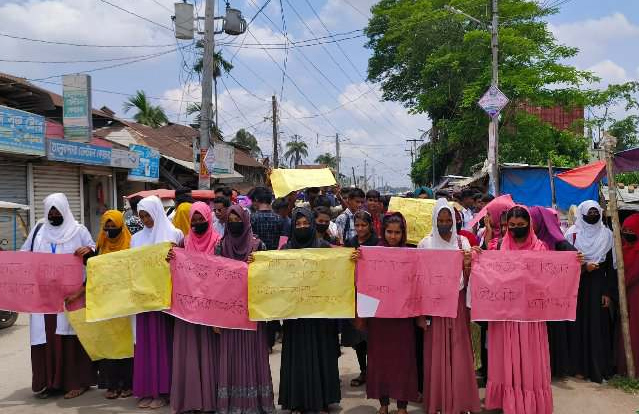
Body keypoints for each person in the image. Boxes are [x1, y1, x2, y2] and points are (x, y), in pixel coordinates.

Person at [21, 193, 97, 400]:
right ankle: (48, 383)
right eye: (50, 210)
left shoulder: (78, 231)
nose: (54, 214)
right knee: (45, 336)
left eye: (57, 209)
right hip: (45, 298)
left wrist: (88, 252)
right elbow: (24, 254)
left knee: (71, 336)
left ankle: (76, 382)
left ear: (65, 209)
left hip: (71, 296)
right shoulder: (39, 231)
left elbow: (93, 257)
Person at [484, 206, 553, 414]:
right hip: (504, 315)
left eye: (521, 226)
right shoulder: (497, 247)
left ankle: (530, 404)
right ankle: (508, 402)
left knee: (529, 358)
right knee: (506, 358)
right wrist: (478, 256)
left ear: (529, 225)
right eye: (511, 226)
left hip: (530, 316)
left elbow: (549, 278)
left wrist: (574, 262)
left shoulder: (540, 248)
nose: (516, 229)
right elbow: (487, 276)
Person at [417, 199, 480, 414]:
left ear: (454, 221)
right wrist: (421, 314)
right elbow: (418, 279)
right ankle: (439, 402)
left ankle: (461, 402)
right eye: (440, 220)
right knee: (436, 351)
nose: (445, 224)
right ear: (435, 221)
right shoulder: (425, 244)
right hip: (434, 306)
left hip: (458, 303)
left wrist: (468, 262)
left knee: (459, 350)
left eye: (448, 220)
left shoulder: (462, 243)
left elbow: (471, 278)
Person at [278, 207, 341, 414]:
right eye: (298, 224)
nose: (302, 227)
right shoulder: (286, 251)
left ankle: (323, 401)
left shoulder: (324, 247)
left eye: (306, 224)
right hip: (295, 316)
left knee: (322, 353)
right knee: (298, 356)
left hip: (320, 315)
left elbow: (337, 272)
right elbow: (273, 276)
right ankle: (297, 401)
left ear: (312, 225)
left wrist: (350, 260)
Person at [217, 205, 275, 414]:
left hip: (253, 312)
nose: (233, 222)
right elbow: (213, 280)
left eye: (237, 218)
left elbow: (270, 278)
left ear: (246, 219)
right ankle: (232, 404)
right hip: (228, 314)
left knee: (252, 354)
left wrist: (258, 265)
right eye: (230, 219)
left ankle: (255, 403)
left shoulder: (258, 245)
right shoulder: (220, 245)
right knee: (231, 355)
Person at [131, 195, 184, 409]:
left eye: (148, 215)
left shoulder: (174, 234)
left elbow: (183, 265)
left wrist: (175, 254)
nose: (145, 219)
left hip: (165, 300)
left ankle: (164, 391)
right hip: (144, 299)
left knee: (163, 344)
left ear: (157, 212)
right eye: (141, 216)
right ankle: (148, 389)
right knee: (145, 345)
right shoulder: (136, 239)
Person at [169, 202, 222, 414]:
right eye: (194, 219)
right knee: (190, 352)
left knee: (209, 352)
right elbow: (178, 269)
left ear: (209, 218)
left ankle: (210, 400)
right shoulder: (185, 241)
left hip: (210, 307)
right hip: (188, 308)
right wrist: (171, 258)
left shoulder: (218, 240)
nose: (198, 222)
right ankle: (191, 399)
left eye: (201, 218)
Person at [364, 212, 419, 414]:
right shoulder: (372, 253)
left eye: (397, 232)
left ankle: (402, 405)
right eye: (389, 232)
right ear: (382, 231)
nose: (393, 236)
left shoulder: (411, 254)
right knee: (380, 361)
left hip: (403, 318)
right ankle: (384, 404)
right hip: (379, 318)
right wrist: (356, 260)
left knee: (403, 360)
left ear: (403, 233)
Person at [565, 200, 616, 383]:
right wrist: (584, 267)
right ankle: (578, 367)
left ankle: (597, 368)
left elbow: (610, 266)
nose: (593, 215)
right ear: (582, 213)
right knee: (577, 324)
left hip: (598, 285)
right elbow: (565, 261)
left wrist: (607, 292)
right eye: (590, 212)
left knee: (597, 325)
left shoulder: (607, 235)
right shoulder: (572, 234)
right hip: (576, 283)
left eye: (596, 212)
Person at [530, 206, 578, 378]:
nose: (530, 224)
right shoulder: (528, 240)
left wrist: (578, 259)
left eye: (533, 221)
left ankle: (556, 368)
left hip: (553, 298)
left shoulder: (559, 243)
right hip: (533, 298)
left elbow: (573, 258)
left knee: (554, 332)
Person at [94, 210, 134, 399]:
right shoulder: (100, 244)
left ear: (121, 225)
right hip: (106, 300)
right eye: (107, 226)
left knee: (126, 344)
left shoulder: (131, 242)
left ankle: (127, 383)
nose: (110, 229)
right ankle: (111, 385)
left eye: (113, 225)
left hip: (125, 300)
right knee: (109, 343)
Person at [343, 210, 379, 388]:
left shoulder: (377, 243)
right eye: (357, 225)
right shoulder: (350, 243)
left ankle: (374, 370)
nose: (360, 228)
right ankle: (363, 371)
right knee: (358, 336)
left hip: (372, 294)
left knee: (372, 335)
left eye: (363, 225)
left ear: (370, 225)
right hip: (355, 293)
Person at [618, 213, 639, 376]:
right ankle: (625, 367)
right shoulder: (621, 249)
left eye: (631, 230)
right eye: (625, 230)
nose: (627, 233)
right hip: (625, 297)